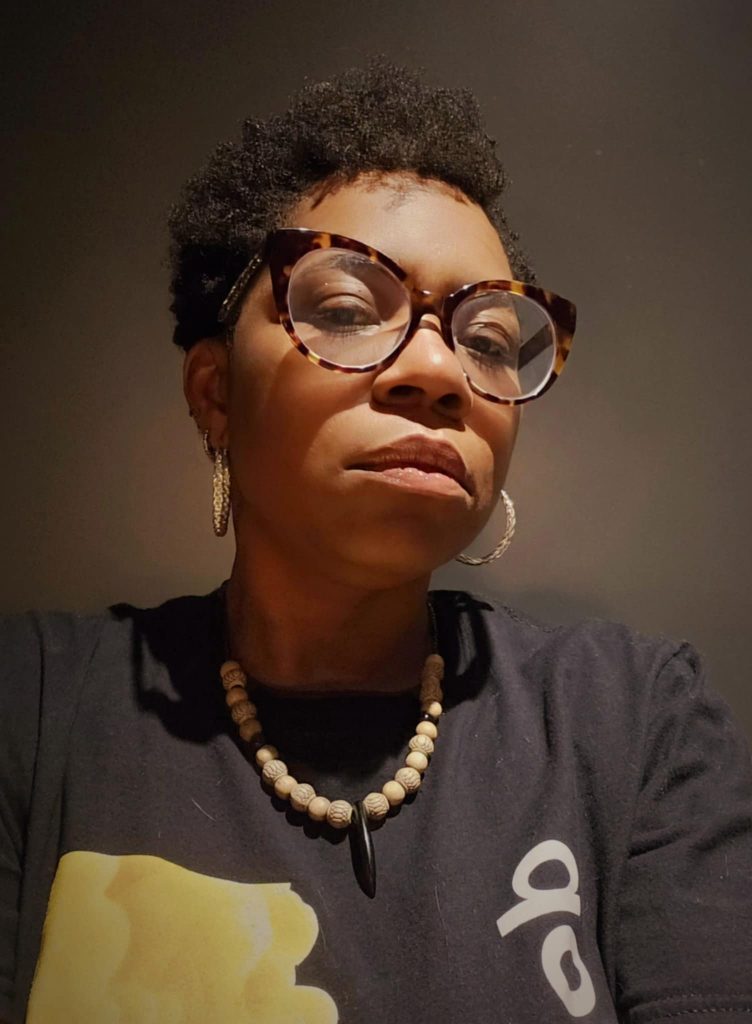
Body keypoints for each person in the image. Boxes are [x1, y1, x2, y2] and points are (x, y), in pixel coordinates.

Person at [1, 57, 751, 1024]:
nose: (438, 370)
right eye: (348, 311)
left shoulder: (632, 720)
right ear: (216, 393)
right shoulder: (34, 709)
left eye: (488, 340)